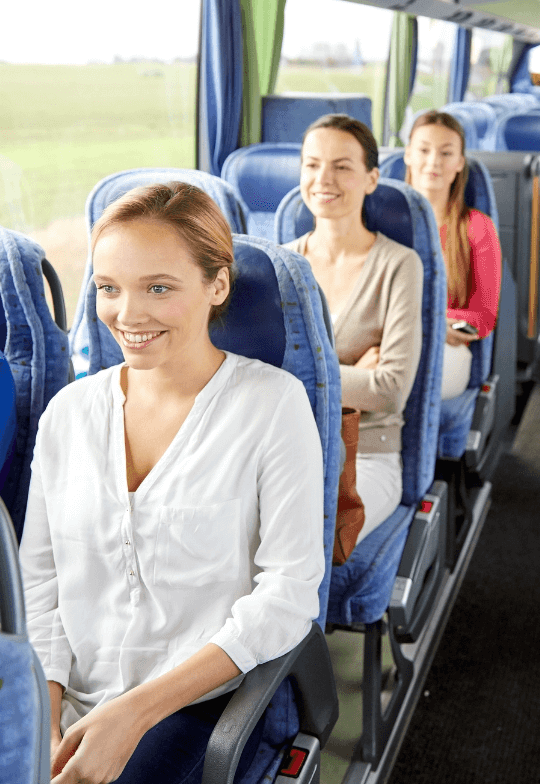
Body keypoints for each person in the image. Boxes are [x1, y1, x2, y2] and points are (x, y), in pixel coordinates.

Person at [20, 183, 325, 783]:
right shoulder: (68, 413)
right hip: (67, 694)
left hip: (197, 704)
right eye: (109, 288)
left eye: (158, 287)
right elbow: (42, 584)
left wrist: (133, 716)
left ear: (218, 285)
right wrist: (44, 719)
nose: (127, 316)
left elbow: (288, 594)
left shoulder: (272, 406)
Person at [284, 114, 423, 543]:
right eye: (312, 164)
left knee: (300, 538)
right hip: (285, 447)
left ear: (371, 178)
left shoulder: (399, 265)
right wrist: (352, 375)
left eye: (342, 166)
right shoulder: (282, 265)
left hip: (367, 455)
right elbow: (251, 378)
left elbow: (388, 390)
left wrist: (298, 375)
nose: (323, 179)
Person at [405, 110, 502, 400]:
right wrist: (427, 320)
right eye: (424, 150)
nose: (433, 161)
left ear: (459, 163)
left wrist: (432, 325)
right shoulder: (378, 221)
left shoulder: (477, 228)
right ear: (408, 155)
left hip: (447, 349)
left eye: (446, 153)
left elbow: (483, 316)